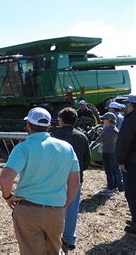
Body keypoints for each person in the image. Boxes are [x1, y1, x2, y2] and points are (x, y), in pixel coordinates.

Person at [0, 107, 80, 254]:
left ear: (28, 125)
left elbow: (5, 178)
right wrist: (64, 205)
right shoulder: (67, 148)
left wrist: (8, 196)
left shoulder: (23, 148)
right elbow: (75, 183)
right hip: (56, 211)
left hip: (28, 209)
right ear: (48, 126)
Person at [52, 108, 91, 252]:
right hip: (75, 180)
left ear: (61, 120)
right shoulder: (82, 137)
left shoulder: (53, 136)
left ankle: (53, 236)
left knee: (54, 208)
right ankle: (69, 239)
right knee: (72, 210)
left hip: (55, 179)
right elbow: (87, 160)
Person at [116, 95, 136, 234]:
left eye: (126, 104)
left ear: (131, 105)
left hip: (132, 161)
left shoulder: (130, 120)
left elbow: (124, 142)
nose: (125, 107)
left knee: (132, 192)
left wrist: (121, 160)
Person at [95, 112, 123, 195]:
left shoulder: (108, 129)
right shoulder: (114, 128)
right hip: (113, 151)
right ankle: (114, 187)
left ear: (109, 120)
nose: (103, 121)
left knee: (108, 171)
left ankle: (110, 188)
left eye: (104, 119)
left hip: (107, 151)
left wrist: (101, 133)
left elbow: (98, 140)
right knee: (113, 170)